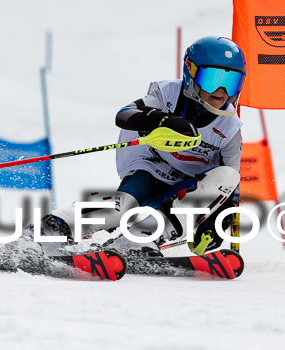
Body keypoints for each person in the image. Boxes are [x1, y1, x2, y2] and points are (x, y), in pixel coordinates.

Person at [37, 36, 246, 257]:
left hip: (188, 188)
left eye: (231, 82)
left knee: (228, 176)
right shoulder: (167, 94)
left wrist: (219, 221)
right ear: (191, 73)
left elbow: (230, 187)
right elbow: (125, 115)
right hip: (151, 167)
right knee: (122, 207)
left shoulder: (230, 129)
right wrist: (164, 120)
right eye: (213, 79)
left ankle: (140, 238)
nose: (222, 91)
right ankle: (52, 227)